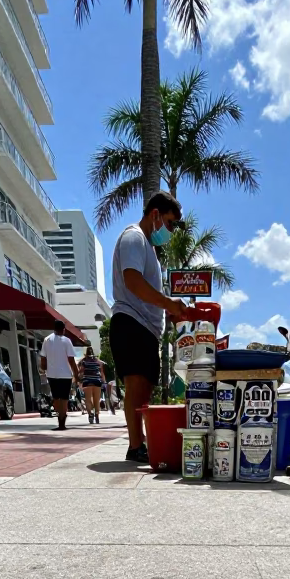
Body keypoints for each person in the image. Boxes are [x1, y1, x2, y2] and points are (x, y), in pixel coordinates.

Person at [110, 191, 189, 462]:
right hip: (131, 321)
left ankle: (141, 442)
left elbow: (147, 290)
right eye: (168, 223)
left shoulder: (150, 248)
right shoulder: (134, 237)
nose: (169, 231)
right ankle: (135, 446)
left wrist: (168, 310)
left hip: (145, 328)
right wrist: (167, 302)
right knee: (136, 385)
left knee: (144, 388)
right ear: (155, 214)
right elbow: (131, 280)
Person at [40, 320, 79, 431]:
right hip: (66, 374)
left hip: (52, 374)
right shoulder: (67, 341)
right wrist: (76, 373)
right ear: (63, 329)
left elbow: (43, 357)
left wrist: (44, 367)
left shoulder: (47, 340)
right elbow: (71, 359)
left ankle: (60, 417)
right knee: (64, 398)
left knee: (56, 397)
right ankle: (62, 419)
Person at [80, 346, 105, 424]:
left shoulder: (84, 361)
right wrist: (103, 380)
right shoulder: (97, 361)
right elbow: (101, 371)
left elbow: (81, 371)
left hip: (87, 381)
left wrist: (78, 378)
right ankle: (97, 414)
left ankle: (90, 414)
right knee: (96, 399)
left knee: (88, 400)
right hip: (97, 381)